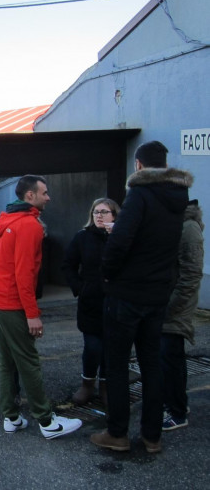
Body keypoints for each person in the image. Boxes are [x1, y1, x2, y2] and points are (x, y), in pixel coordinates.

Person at [91, 141, 192, 453]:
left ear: (138, 165)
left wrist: (108, 273)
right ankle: (152, 436)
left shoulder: (141, 194)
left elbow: (121, 241)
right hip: (157, 293)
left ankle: (118, 433)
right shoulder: (178, 197)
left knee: (118, 364)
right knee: (152, 364)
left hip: (128, 294)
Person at [0, 175, 82, 439]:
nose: (48, 197)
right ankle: (47, 422)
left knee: (7, 362)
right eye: (45, 192)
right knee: (28, 362)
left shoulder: (7, 220)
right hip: (10, 303)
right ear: (30, 196)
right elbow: (24, 274)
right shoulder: (29, 225)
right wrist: (32, 315)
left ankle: (11, 417)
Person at [62, 197, 120, 406]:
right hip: (91, 301)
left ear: (114, 215)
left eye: (104, 212)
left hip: (115, 301)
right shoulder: (82, 237)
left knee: (110, 346)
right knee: (93, 346)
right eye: (96, 212)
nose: (99, 215)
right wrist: (80, 287)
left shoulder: (121, 237)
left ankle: (106, 386)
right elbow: (68, 264)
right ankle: (87, 384)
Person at [161, 199, 204, 431]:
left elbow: (191, 273)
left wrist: (171, 306)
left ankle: (177, 412)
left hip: (175, 305)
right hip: (169, 301)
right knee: (172, 357)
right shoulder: (177, 222)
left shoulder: (188, 227)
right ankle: (178, 404)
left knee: (170, 357)